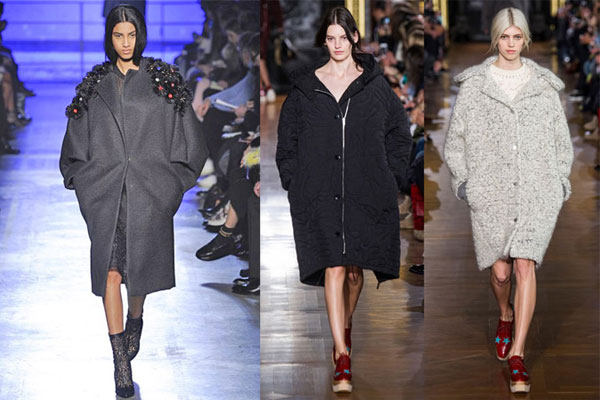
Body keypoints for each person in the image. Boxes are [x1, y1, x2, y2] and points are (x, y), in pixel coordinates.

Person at [59, 6, 207, 398]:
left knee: (137, 270)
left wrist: (172, 185)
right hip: (106, 195)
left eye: (131, 34)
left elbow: (191, 140)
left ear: (139, 35)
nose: (125, 43)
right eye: (118, 35)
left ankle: (136, 317)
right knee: (110, 274)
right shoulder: (95, 85)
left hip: (148, 193)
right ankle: (120, 364)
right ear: (109, 37)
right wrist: (83, 181)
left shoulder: (162, 80)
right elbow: (73, 144)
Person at [276, 6, 411, 394]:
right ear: (324, 41)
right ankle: (342, 355)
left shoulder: (374, 86)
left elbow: (399, 133)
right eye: (330, 38)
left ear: (354, 38)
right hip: (318, 192)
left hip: (365, 191)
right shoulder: (306, 89)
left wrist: (392, 176)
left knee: (354, 273)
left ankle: (344, 327)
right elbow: (288, 141)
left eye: (343, 37)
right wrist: (294, 180)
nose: (337, 45)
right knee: (333, 267)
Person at [443, 7, 573, 394]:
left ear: (526, 40)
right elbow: (456, 140)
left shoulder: (543, 86)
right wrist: (466, 183)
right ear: (495, 39)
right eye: (505, 37)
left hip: (536, 189)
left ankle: (518, 354)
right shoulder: (475, 85)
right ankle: (505, 312)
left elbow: (560, 139)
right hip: (492, 191)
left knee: (524, 267)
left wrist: (559, 182)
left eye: (518, 37)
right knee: (501, 273)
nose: (511, 44)